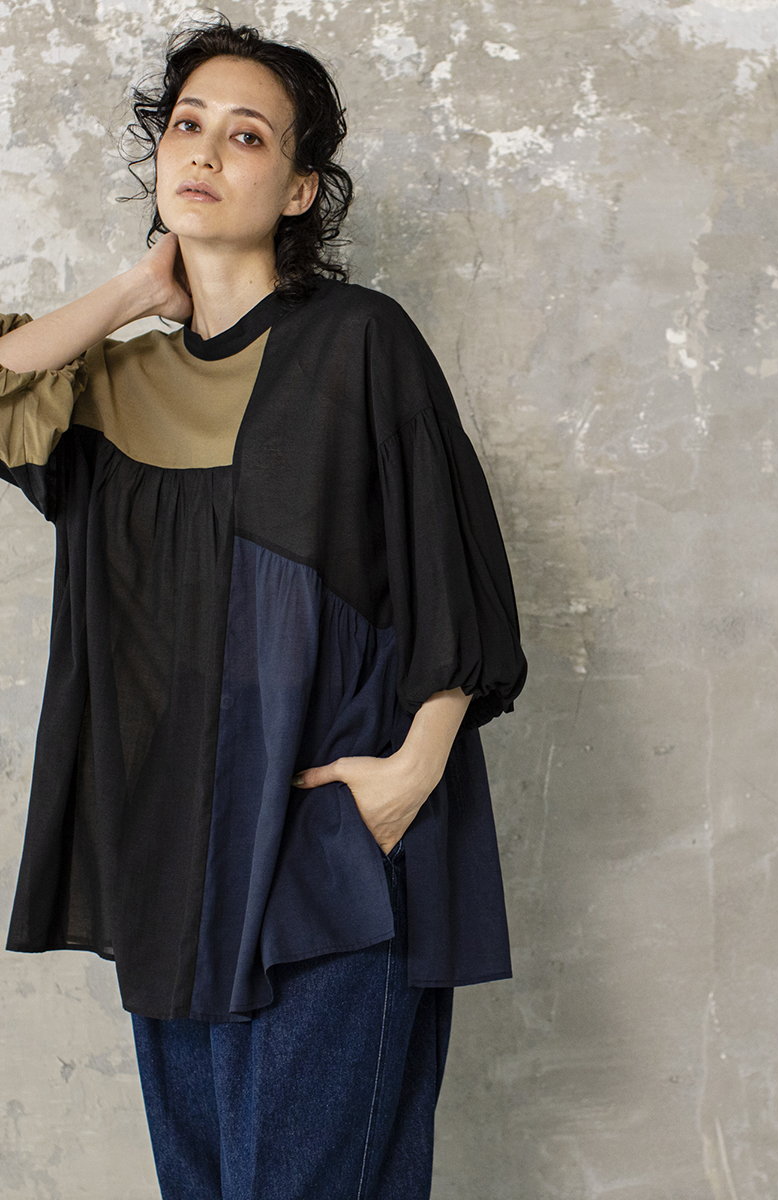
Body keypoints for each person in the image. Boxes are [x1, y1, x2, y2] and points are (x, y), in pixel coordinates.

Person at [0, 13, 527, 1200]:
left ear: (297, 191)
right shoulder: (114, 385)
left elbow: (454, 570)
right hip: (171, 859)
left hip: (322, 843)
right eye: (185, 124)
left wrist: (407, 776)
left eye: (245, 136)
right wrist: (136, 288)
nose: (203, 149)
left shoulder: (357, 342)